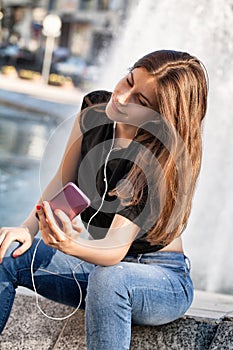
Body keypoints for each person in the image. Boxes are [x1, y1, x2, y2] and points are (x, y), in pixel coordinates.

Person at [0, 50, 208, 349]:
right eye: (128, 81)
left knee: (111, 279)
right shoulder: (95, 109)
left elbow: (113, 250)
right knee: (7, 253)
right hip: (101, 270)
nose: (122, 97)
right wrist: (28, 229)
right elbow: (64, 178)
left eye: (142, 101)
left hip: (161, 278)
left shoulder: (156, 161)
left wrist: (69, 245)